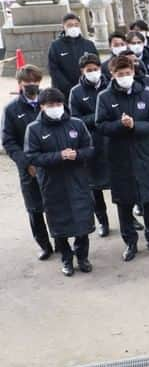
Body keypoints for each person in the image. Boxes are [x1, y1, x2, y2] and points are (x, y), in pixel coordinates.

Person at [96, 55, 149, 261]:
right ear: (112, 75)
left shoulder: (146, 93)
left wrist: (135, 125)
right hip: (119, 157)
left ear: (133, 72)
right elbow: (101, 125)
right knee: (124, 202)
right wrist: (120, 125)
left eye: (127, 73)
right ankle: (130, 243)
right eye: (120, 74)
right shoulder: (105, 97)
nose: (124, 77)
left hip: (145, 155)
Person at [24, 88, 95, 276]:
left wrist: (78, 154)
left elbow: (89, 149)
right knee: (59, 224)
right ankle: (66, 259)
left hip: (77, 180)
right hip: (52, 184)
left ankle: (82, 257)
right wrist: (59, 156)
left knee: (82, 222)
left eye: (58, 104)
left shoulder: (76, 124)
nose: (55, 108)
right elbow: (32, 156)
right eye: (50, 105)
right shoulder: (34, 129)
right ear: (42, 107)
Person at [3, 65, 52, 260]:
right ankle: (44, 245)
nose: (31, 86)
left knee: (55, 205)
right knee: (35, 208)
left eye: (35, 82)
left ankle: (61, 241)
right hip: (29, 169)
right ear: (20, 84)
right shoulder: (11, 110)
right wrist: (26, 164)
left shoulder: (49, 103)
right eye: (27, 83)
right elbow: (8, 141)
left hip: (50, 164)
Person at [68, 54, 112, 236]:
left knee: (120, 182)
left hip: (113, 141)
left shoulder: (111, 84)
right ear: (82, 72)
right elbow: (76, 119)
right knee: (95, 187)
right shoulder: (76, 92)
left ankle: (129, 217)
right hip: (91, 144)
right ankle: (103, 220)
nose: (93, 73)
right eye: (89, 70)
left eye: (95, 69)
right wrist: (99, 117)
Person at [47, 13, 98, 99]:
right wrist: (67, 87)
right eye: (70, 25)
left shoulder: (89, 44)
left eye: (76, 25)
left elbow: (96, 65)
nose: (73, 27)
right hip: (64, 91)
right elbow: (53, 69)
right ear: (63, 27)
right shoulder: (55, 46)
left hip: (87, 88)